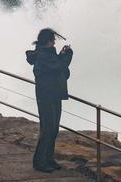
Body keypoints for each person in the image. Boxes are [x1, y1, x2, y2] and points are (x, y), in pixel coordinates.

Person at [26, 28, 73, 172]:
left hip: (54, 95)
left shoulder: (48, 54)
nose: (54, 43)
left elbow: (59, 68)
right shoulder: (42, 56)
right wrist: (68, 55)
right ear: (47, 42)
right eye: (52, 40)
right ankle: (39, 162)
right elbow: (59, 66)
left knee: (53, 129)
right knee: (47, 129)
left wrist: (62, 55)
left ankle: (48, 159)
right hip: (46, 96)